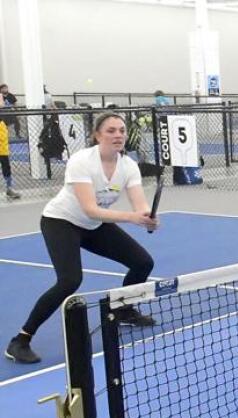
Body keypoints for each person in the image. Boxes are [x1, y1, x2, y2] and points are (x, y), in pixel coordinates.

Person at [6, 113, 158, 364]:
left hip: (94, 225)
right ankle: (20, 340)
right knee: (69, 281)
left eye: (121, 130)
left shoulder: (128, 165)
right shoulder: (81, 161)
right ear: (97, 135)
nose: (118, 135)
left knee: (142, 262)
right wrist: (132, 218)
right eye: (111, 131)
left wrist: (147, 216)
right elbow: (90, 208)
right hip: (61, 222)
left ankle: (122, 310)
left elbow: (139, 204)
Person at [1, 117, 20, 199]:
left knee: (7, 169)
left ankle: (9, 189)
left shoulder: (2, 122)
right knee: (6, 168)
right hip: (3, 150)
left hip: (3, 151)